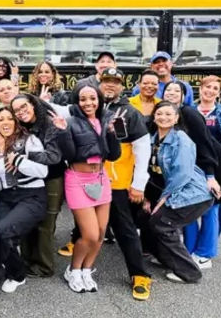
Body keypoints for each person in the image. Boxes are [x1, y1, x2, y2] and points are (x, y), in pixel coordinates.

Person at [0, 106, 48, 300]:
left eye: (9, 119)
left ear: (16, 122)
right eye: (1, 120)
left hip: (31, 195)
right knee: (4, 238)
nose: (5, 123)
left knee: (0, 232)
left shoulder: (30, 141)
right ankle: (18, 274)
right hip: (6, 196)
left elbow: (43, 171)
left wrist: (18, 161)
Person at [54, 84, 121, 293]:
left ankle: (86, 269)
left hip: (101, 178)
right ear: (77, 101)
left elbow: (113, 155)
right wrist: (63, 132)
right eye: (83, 99)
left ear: (99, 100)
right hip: (77, 179)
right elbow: (69, 155)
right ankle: (73, 270)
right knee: (90, 234)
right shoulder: (71, 122)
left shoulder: (106, 120)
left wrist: (112, 133)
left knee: (101, 233)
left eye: (92, 98)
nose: (88, 103)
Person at [145, 101, 213, 283]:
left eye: (169, 114)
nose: (163, 117)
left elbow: (181, 174)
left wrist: (163, 198)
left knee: (163, 224)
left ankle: (190, 273)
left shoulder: (181, 139)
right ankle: (167, 260)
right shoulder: (153, 139)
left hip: (193, 194)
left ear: (176, 119)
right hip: (178, 191)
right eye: (159, 114)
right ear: (154, 117)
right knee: (155, 222)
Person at [99, 68, 153, 300]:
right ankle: (77, 254)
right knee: (87, 222)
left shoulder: (130, 112)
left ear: (122, 86)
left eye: (115, 82)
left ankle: (140, 274)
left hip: (117, 182)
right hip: (88, 179)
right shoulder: (91, 104)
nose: (110, 85)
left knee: (125, 229)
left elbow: (143, 149)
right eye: (106, 81)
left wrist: (139, 183)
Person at [185, 76, 221, 269]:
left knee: (214, 206)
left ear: (219, 92)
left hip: (220, 165)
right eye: (207, 87)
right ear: (199, 89)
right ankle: (191, 248)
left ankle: (205, 253)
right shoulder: (190, 110)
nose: (210, 91)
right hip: (195, 164)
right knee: (192, 205)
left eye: (215, 88)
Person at [10, 93, 64, 278]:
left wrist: (25, 157)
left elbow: (53, 156)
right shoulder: (21, 126)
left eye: (24, 106)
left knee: (45, 224)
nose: (21, 112)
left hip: (51, 179)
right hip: (30, 180)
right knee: (28, 220)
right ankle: (27, 260)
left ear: (33, 104)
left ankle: (44, 266)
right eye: (16, 110)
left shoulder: (49, 123)